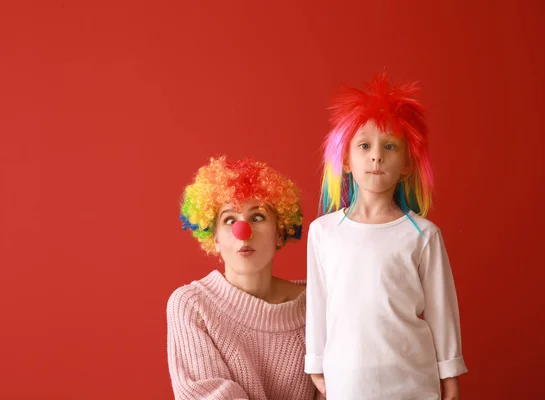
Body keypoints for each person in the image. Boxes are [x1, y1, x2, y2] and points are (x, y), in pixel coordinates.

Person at [305, 73, 468, 399]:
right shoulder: (323, 231)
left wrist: (449, 370)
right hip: (348, 379)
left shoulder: (422, 234)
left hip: (412, 378)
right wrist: (316, 363)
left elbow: (441, 307)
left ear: (407, 164)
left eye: (389, 146)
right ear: (347, 160)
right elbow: (319, 303)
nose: (376, 155)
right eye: (364, 146)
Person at [167, 156, 318, 400]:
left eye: (257, 217)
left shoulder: (316, 304)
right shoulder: (192, 305)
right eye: (229, 220)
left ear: (280, 233)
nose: (243, 232)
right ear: (214, 238)